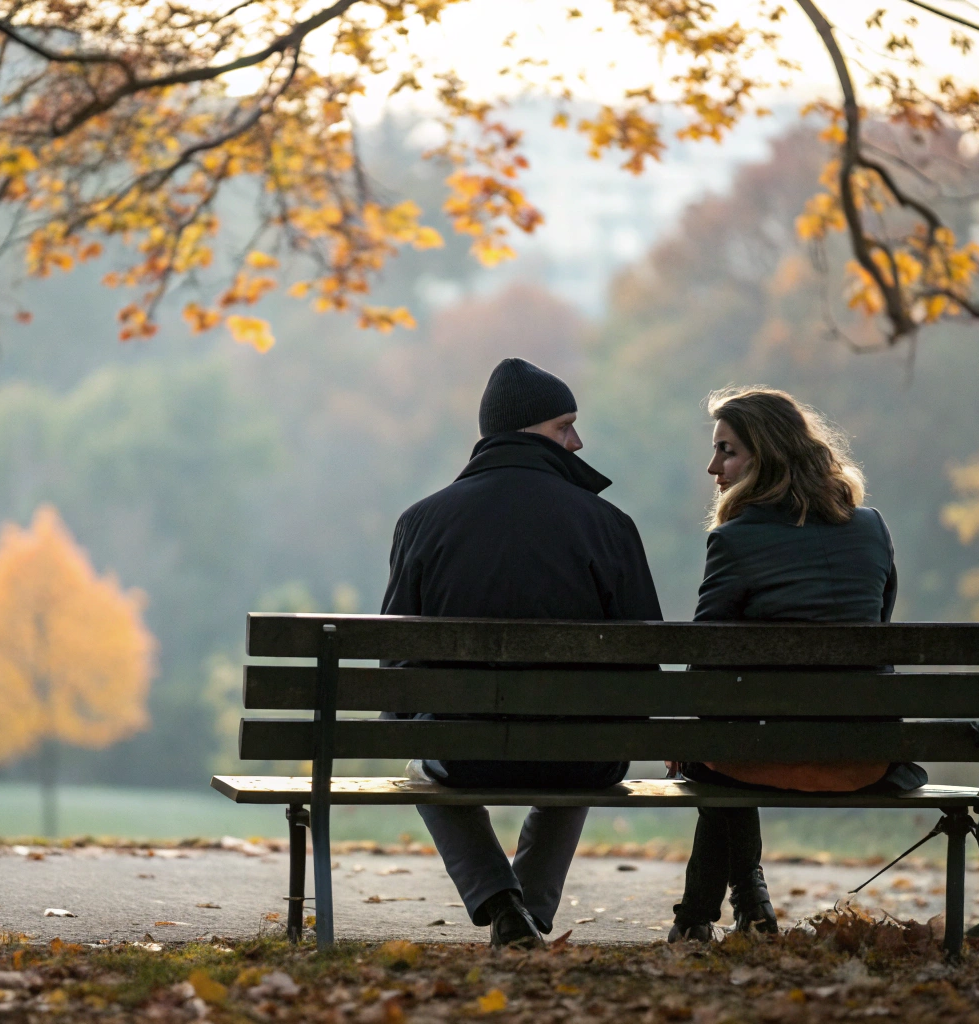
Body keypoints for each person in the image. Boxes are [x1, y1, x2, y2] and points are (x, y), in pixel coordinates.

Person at [382, 357, 662, 948]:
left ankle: (501, 901)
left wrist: (409, 724)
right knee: (584, 749)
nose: (578, 441)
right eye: (566, 426)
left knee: (420, 767)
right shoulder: (609, 525)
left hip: (463, 756)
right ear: (529, 429)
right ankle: (529, 910)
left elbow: (395, 668)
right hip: (581, 757)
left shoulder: (422, 522)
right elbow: (645, 665)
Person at [666, 386, 927, 941]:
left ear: (767, 457)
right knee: (734, 747)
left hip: (763, 754)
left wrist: (686, 737)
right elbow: (877, 629)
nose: (713, 466)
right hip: (863, 754)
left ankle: (697, 921)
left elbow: (705, 659)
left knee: (723, 758)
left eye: (727, 450)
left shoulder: (734, 541)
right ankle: (748, 905)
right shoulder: (872, 527)